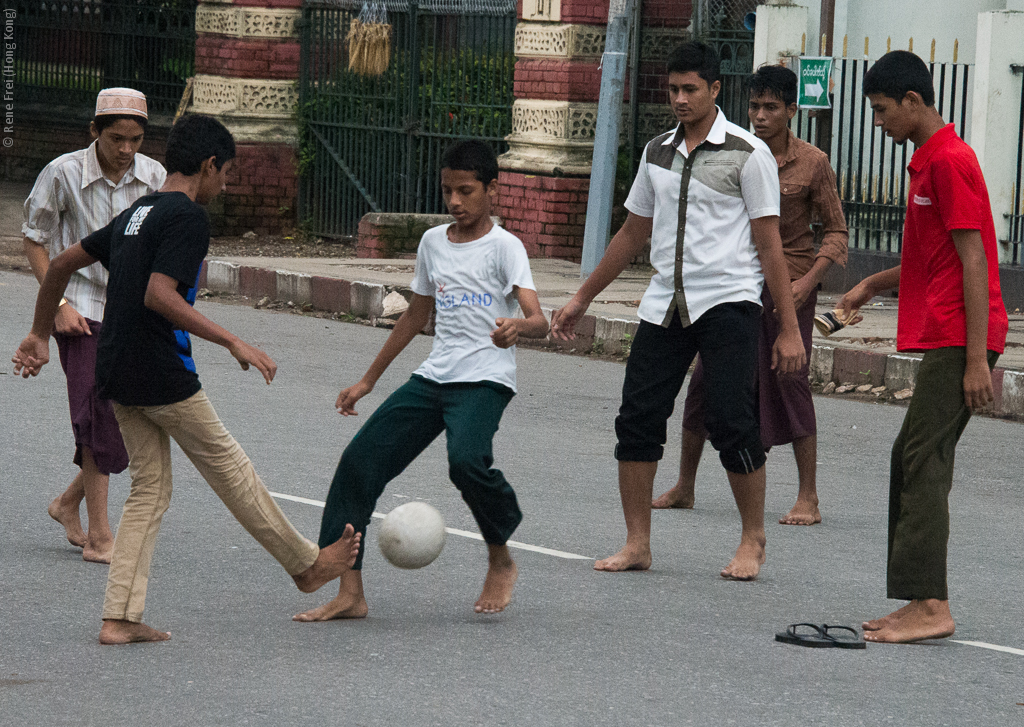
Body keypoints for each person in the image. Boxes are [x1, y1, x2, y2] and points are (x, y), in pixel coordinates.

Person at [13, 114, 361, 645]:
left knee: (150, 490)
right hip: (156, 370)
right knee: (230, 466)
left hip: (114, 368)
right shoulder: (186, 218)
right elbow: (160, 294)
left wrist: (41, 331)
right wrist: (233, 341)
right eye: (228, 172)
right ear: (208, 165)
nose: (228, 183)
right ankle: (306, 566)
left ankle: (119, 618)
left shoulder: (137, 212)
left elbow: (59, 263)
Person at [551, 42, 805, 580]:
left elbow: (769, 245)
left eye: (691, 89)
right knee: (637, 418)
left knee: (732, 421)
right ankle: (637, 542)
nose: (680, 99)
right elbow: (632, 232)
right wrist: (582, 298)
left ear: (715, 90)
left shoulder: (747, 152)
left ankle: (752, 540)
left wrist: (787, 328)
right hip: (664, 302)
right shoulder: (656, 152)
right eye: (673, 90)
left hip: (728, 302)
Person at [294, 139, 548, 622]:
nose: (455, 202)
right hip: (435, 376)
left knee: (467, 461)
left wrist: (518, 327)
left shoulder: (505, 247)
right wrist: (368, 381)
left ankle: (500, 556)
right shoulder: (433, 242)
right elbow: (416, 315)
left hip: (485, 379)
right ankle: (351, 592)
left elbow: (538, 318)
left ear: (492, 190)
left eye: (466, 191)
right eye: (447, 191)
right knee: (358, 463)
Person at [836, 51, 1008, 643]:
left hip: (961, 335)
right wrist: (867, 285)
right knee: (908, 457)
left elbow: (975, 258)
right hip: (948, 330)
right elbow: (927, 258)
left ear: (913, 101)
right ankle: (918, 597)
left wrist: (977, 357)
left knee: (922, 460)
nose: (878, 122)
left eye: (882, 111)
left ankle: (933, 606)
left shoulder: (950, 162)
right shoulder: (926, 161)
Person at [652, 65, 848, 526]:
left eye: (772, 108)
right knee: (705, 380)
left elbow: (836, 232)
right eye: (755, 106)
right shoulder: (735, 151)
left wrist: (808, 282)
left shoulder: (813, 163)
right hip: (736, 286)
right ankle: (685, 484)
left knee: (790, 379)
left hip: (791, 288)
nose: (761, 116)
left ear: (791, 111)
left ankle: (808, 495)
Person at [22, 88, 166, 563]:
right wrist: (57, 303)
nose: (126, 150)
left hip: (133, 313)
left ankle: (68, 502)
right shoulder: (62, 173)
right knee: (95, 411)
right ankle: (102, 536)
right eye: (116, 138)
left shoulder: (154, 177)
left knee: (124, 421)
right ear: (94, 132)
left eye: (136, 139)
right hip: (79, 310)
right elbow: (35, 241)